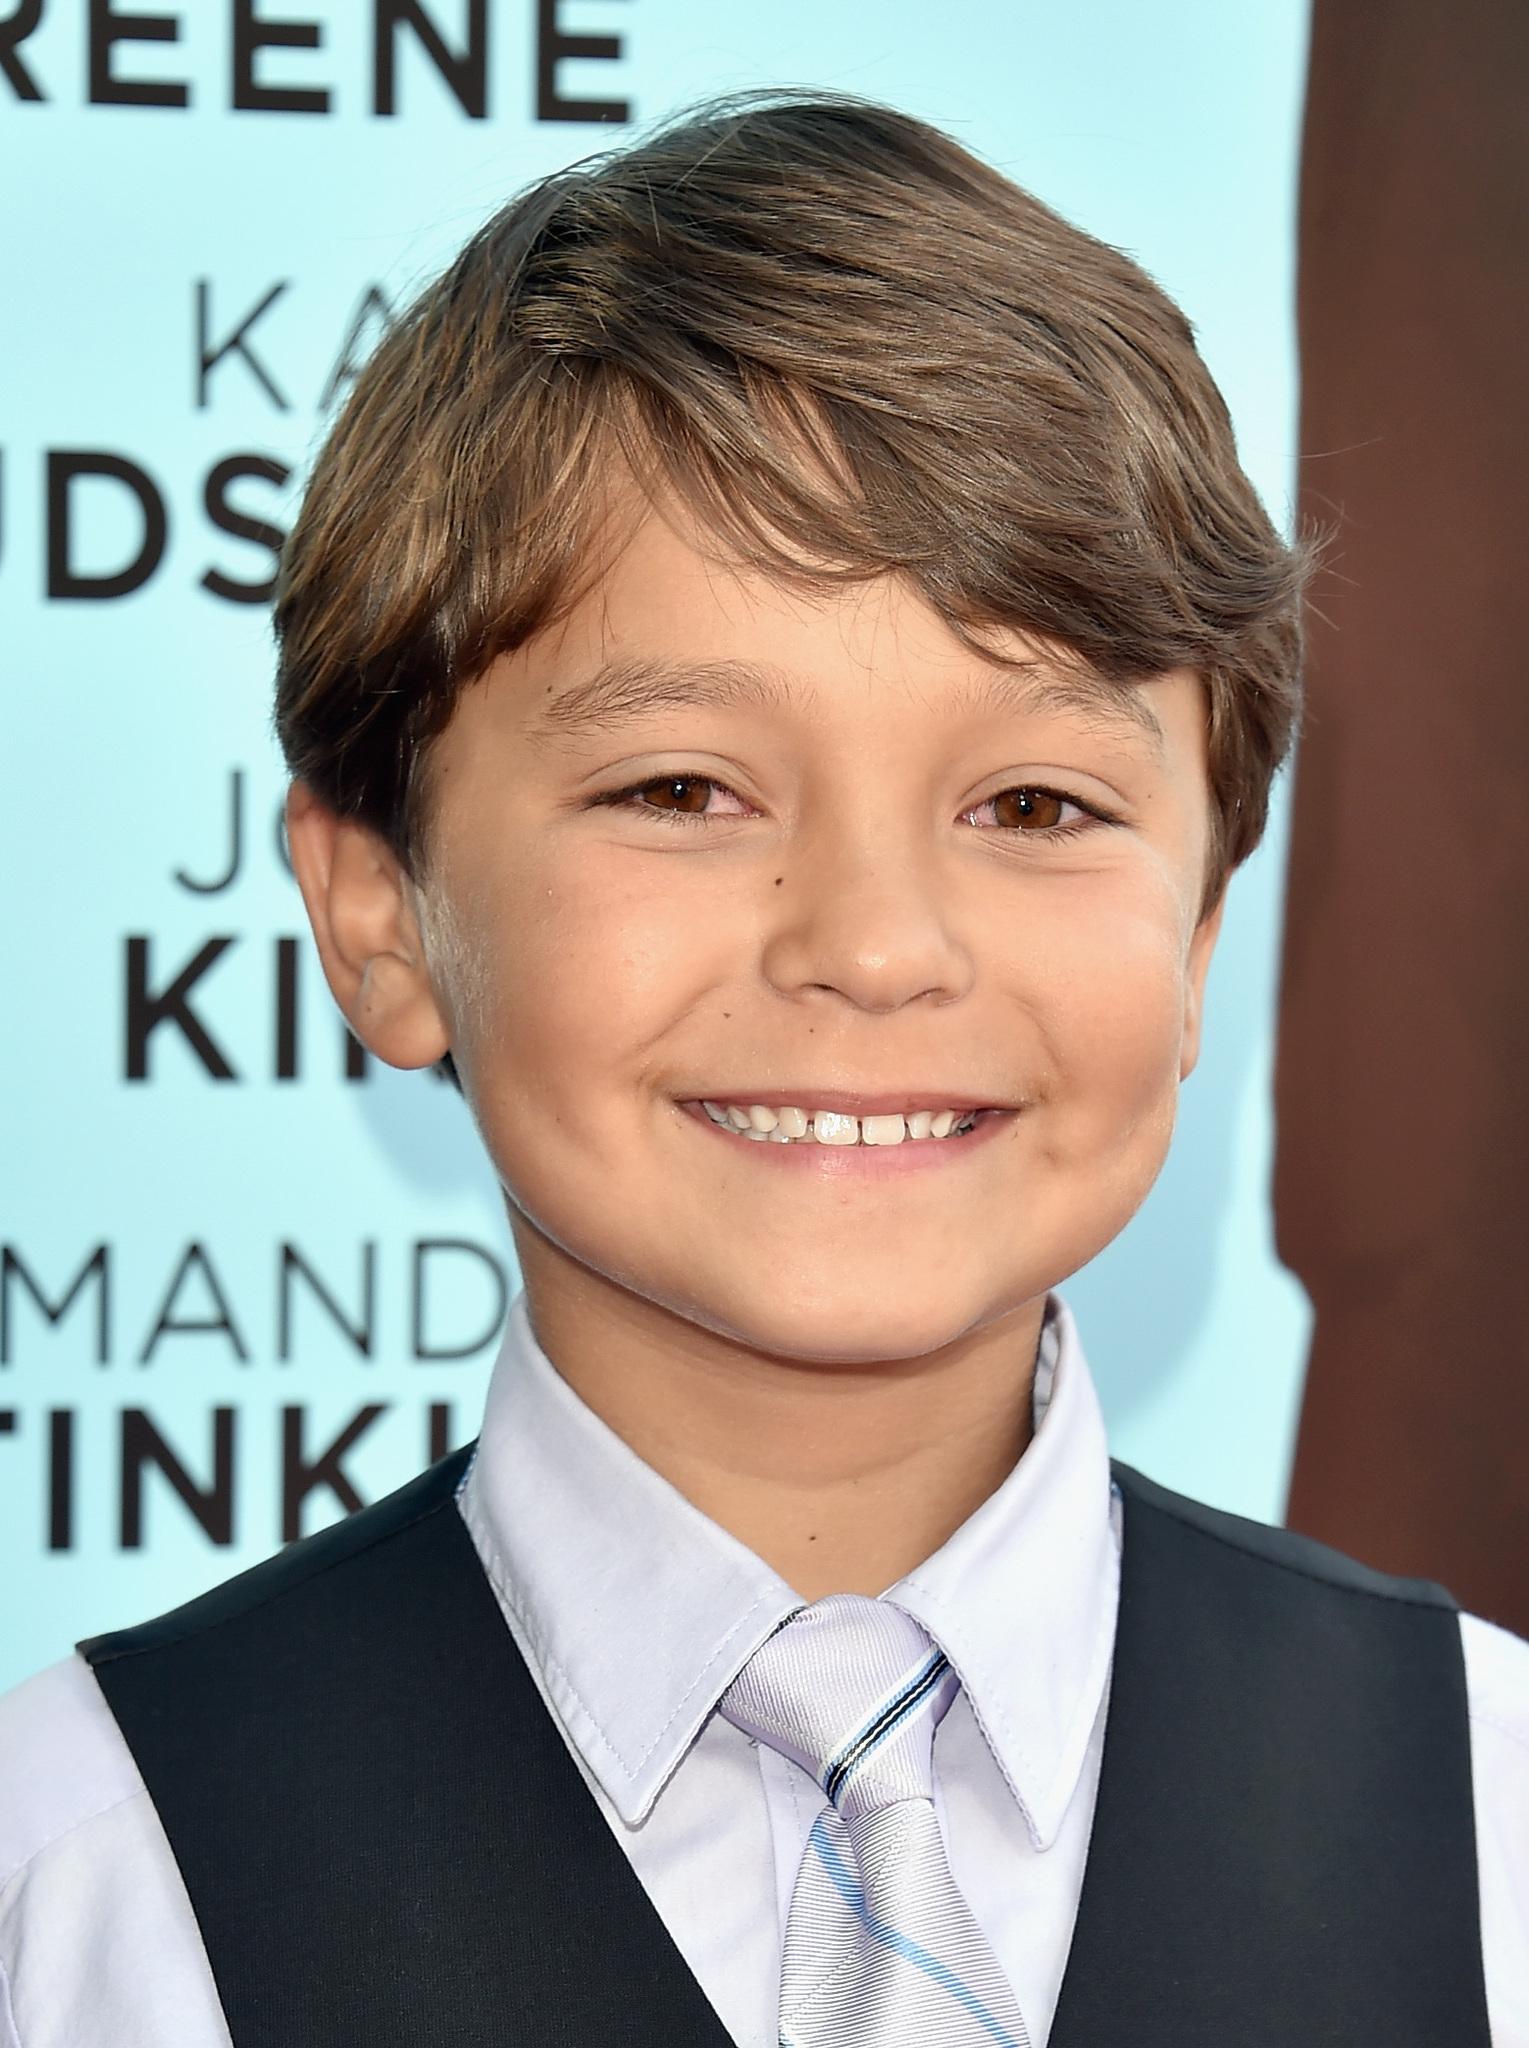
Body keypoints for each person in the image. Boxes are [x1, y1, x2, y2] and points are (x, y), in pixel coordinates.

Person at [1, 89, 1524, 2048]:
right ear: (379, 910)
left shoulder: (1495, 1817)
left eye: (1037, 805)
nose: (873, 946)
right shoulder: (80, 1881)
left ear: (1200, 937)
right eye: (683, 791)